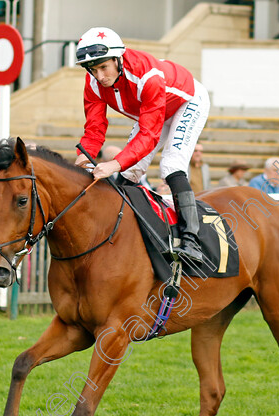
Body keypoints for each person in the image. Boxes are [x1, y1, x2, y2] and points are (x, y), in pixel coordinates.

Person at [74, 27, 211, 264]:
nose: (100, 76)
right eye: (93, 70)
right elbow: (94, 129)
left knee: (170, 165)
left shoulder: (147, 76)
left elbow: (149, 134)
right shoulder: (93, 82)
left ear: (118, 59)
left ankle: (192, 241)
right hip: (152, 110)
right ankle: (122, 235)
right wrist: (82, 157)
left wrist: (114, 163)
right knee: (129, 171)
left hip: (186, 101)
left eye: (104, 67)